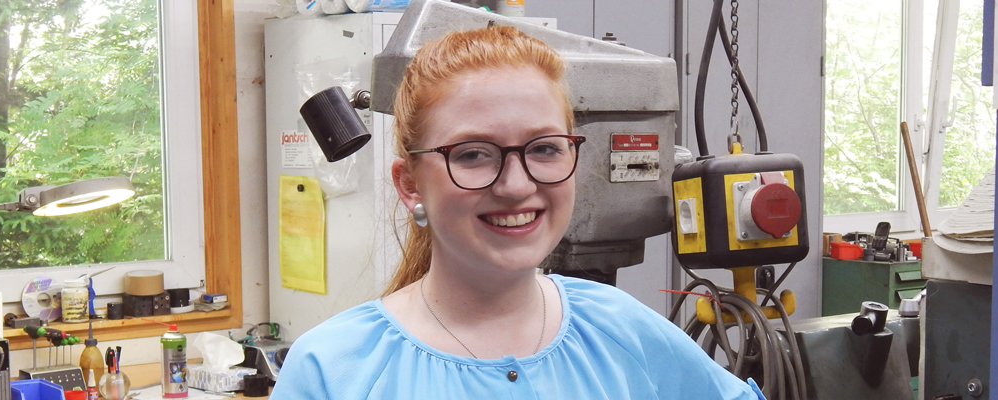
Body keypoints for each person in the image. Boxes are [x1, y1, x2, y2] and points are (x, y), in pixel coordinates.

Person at [271, 25, 765, 399]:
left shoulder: (621, 330)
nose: (516, 184)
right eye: (472, 154)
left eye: (545, 149)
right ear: (409, 184)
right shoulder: (336, 370)